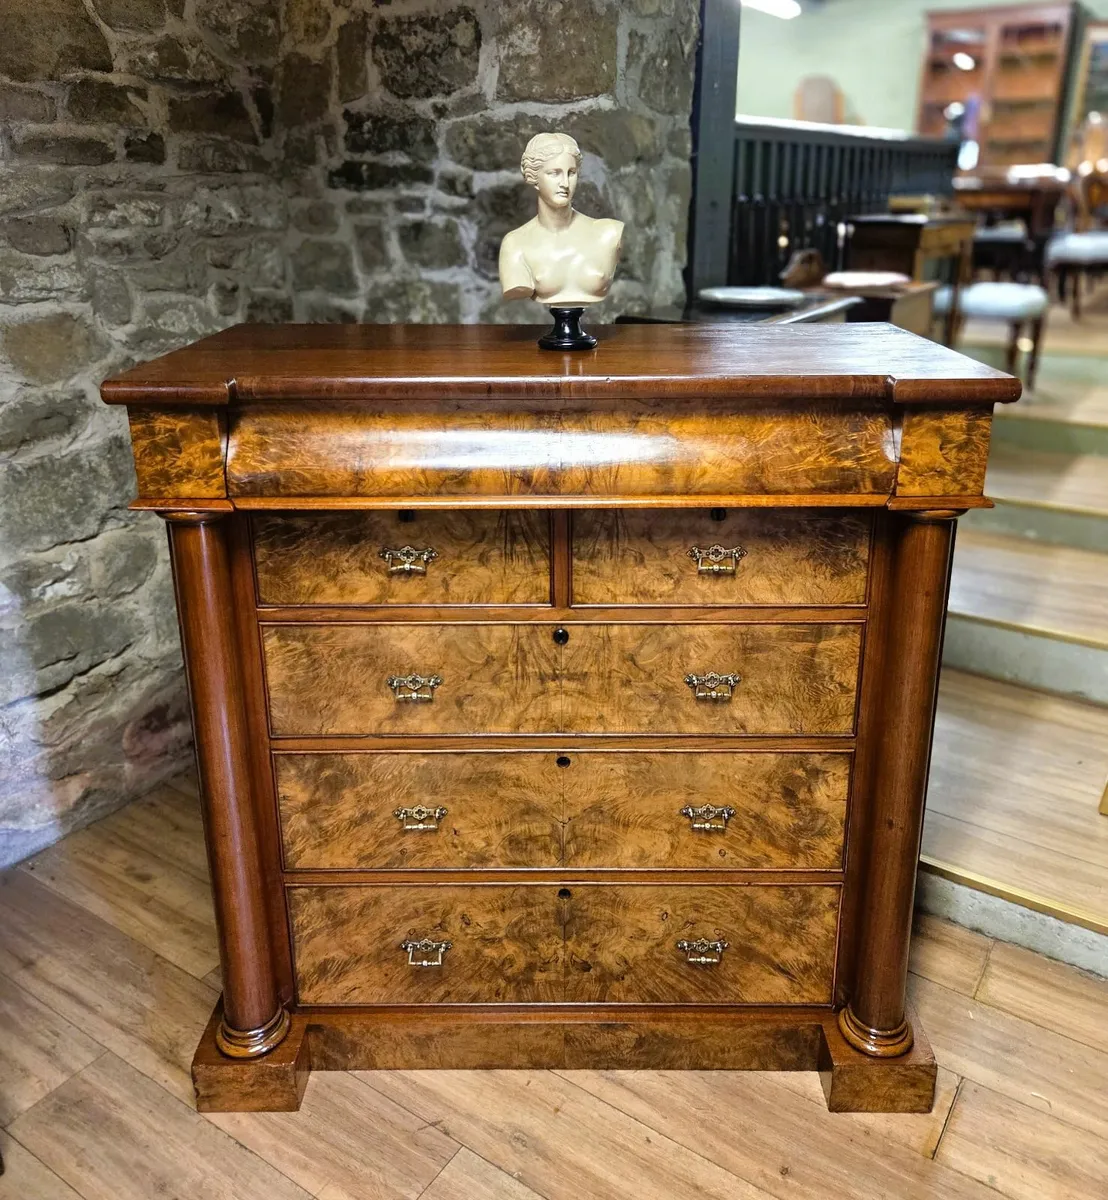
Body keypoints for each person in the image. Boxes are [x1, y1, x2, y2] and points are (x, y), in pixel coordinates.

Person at [499, 132, 623, 307]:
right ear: (533, 177)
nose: (565, 183)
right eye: (554, 173)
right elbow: (516, 286)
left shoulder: (610, 233)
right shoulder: (515, 244)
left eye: (571, 173)